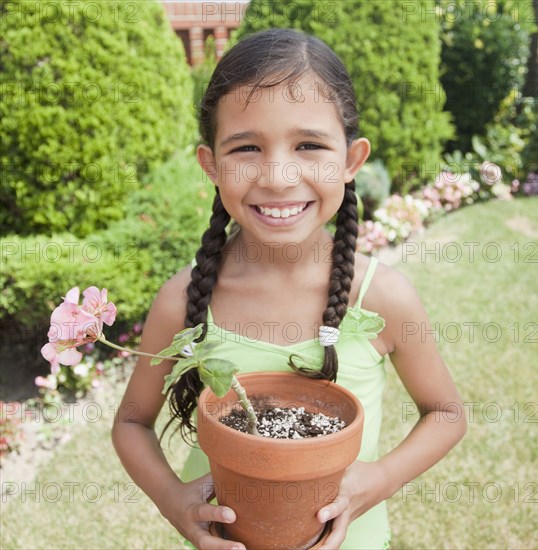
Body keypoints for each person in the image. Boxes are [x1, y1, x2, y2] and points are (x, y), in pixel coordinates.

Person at [112, 28, 467, 550]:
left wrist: (381, 479)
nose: (278, 176)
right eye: (247, 147)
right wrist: (172, 498)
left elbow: (448, 413)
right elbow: (131, 422)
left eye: (309, 145)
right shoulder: (184, 299)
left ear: (350, 160)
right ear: (211, 165)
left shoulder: (381, 297)